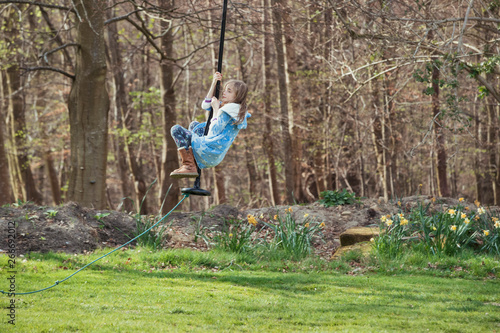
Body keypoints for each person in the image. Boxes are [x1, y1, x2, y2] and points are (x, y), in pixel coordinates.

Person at [170, 72, 250, 178]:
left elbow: (213, 131)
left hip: (208, 150)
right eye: (225, 89)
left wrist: (216, 109)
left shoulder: (227, 111)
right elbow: (205, 105)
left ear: (237, 96)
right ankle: (192, 161)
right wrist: (214, 83)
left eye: (229, 91)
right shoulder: (234, 110)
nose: (224, 92)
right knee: (194, 125)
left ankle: (189, 166)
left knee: (176, 130)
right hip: (214, 155)